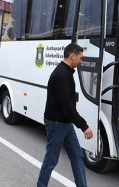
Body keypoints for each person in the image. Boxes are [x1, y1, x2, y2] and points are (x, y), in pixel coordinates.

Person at [37, 43, 93, 187]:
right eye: (80, 58)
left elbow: (68, 107)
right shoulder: (62, 74)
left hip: (66, 123)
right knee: (51, 160)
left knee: (77, 156)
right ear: (72, 56)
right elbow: (67, 106)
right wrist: (84, 126)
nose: (81, 61)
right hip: (56, 123)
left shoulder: (66, 72)